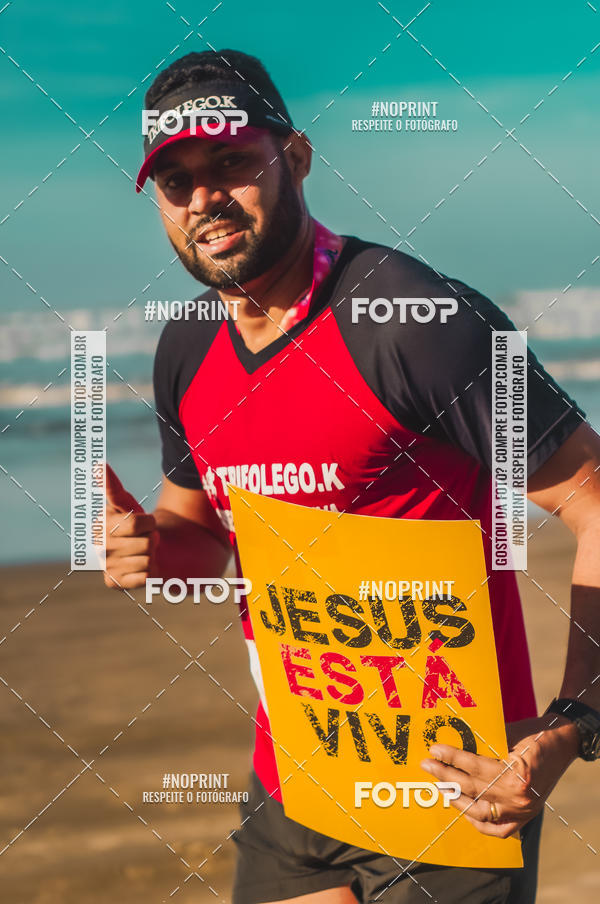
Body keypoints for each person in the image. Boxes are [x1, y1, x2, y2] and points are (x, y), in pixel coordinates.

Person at [103, 49, 600, 904]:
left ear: (293, 157)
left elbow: (594, 500)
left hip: (455, 786)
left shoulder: (417, 322)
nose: (205, 199)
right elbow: (202, 542)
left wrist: (571, 726)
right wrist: (150, 547)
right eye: (176, 181)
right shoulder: (186, 346)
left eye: (230, 161)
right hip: (294, 775)